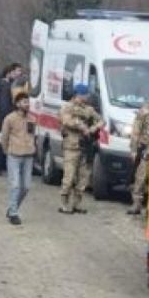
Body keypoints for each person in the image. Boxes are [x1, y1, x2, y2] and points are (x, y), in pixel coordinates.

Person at [57, 83, 104, 214]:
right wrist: (81, 126)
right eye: (84, 94)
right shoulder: (67, 107)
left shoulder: (88, 109)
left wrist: (93, 128)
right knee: (69, 177)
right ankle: (64, 204)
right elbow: (66, 121)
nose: (86, 97)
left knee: (83, 178)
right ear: (77, 95)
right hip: (71, 146)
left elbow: (101, 121)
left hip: (85, 147)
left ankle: (76, 204)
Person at [0, 92, 36, 225]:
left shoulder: (32, 119)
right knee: (15, 185)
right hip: (14, 154)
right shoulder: (10, 118)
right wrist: (6, 150)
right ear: (17, 104)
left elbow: (32, 135)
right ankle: (14, 213)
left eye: (28, 102)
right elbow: (4, 136)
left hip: (28, 155)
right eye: (24, 102)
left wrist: (32, 147)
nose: (27, 104)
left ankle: (12, 208)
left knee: (26, 186)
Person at [127, 91, 149, 215]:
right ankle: (137, 204)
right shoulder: (144, 111)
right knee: (140, 177)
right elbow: (136, 131)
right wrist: (134, 149)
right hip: (146, 150)